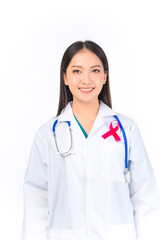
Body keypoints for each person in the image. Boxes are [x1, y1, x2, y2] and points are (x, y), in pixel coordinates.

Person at [21, 40, 160, 240]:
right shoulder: (47, 135)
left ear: (105, 76)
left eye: (95, 71)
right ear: (65, 78)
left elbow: (144, 197)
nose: (86, 80)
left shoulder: (126, 130)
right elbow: (36, 200)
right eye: (77, 71)